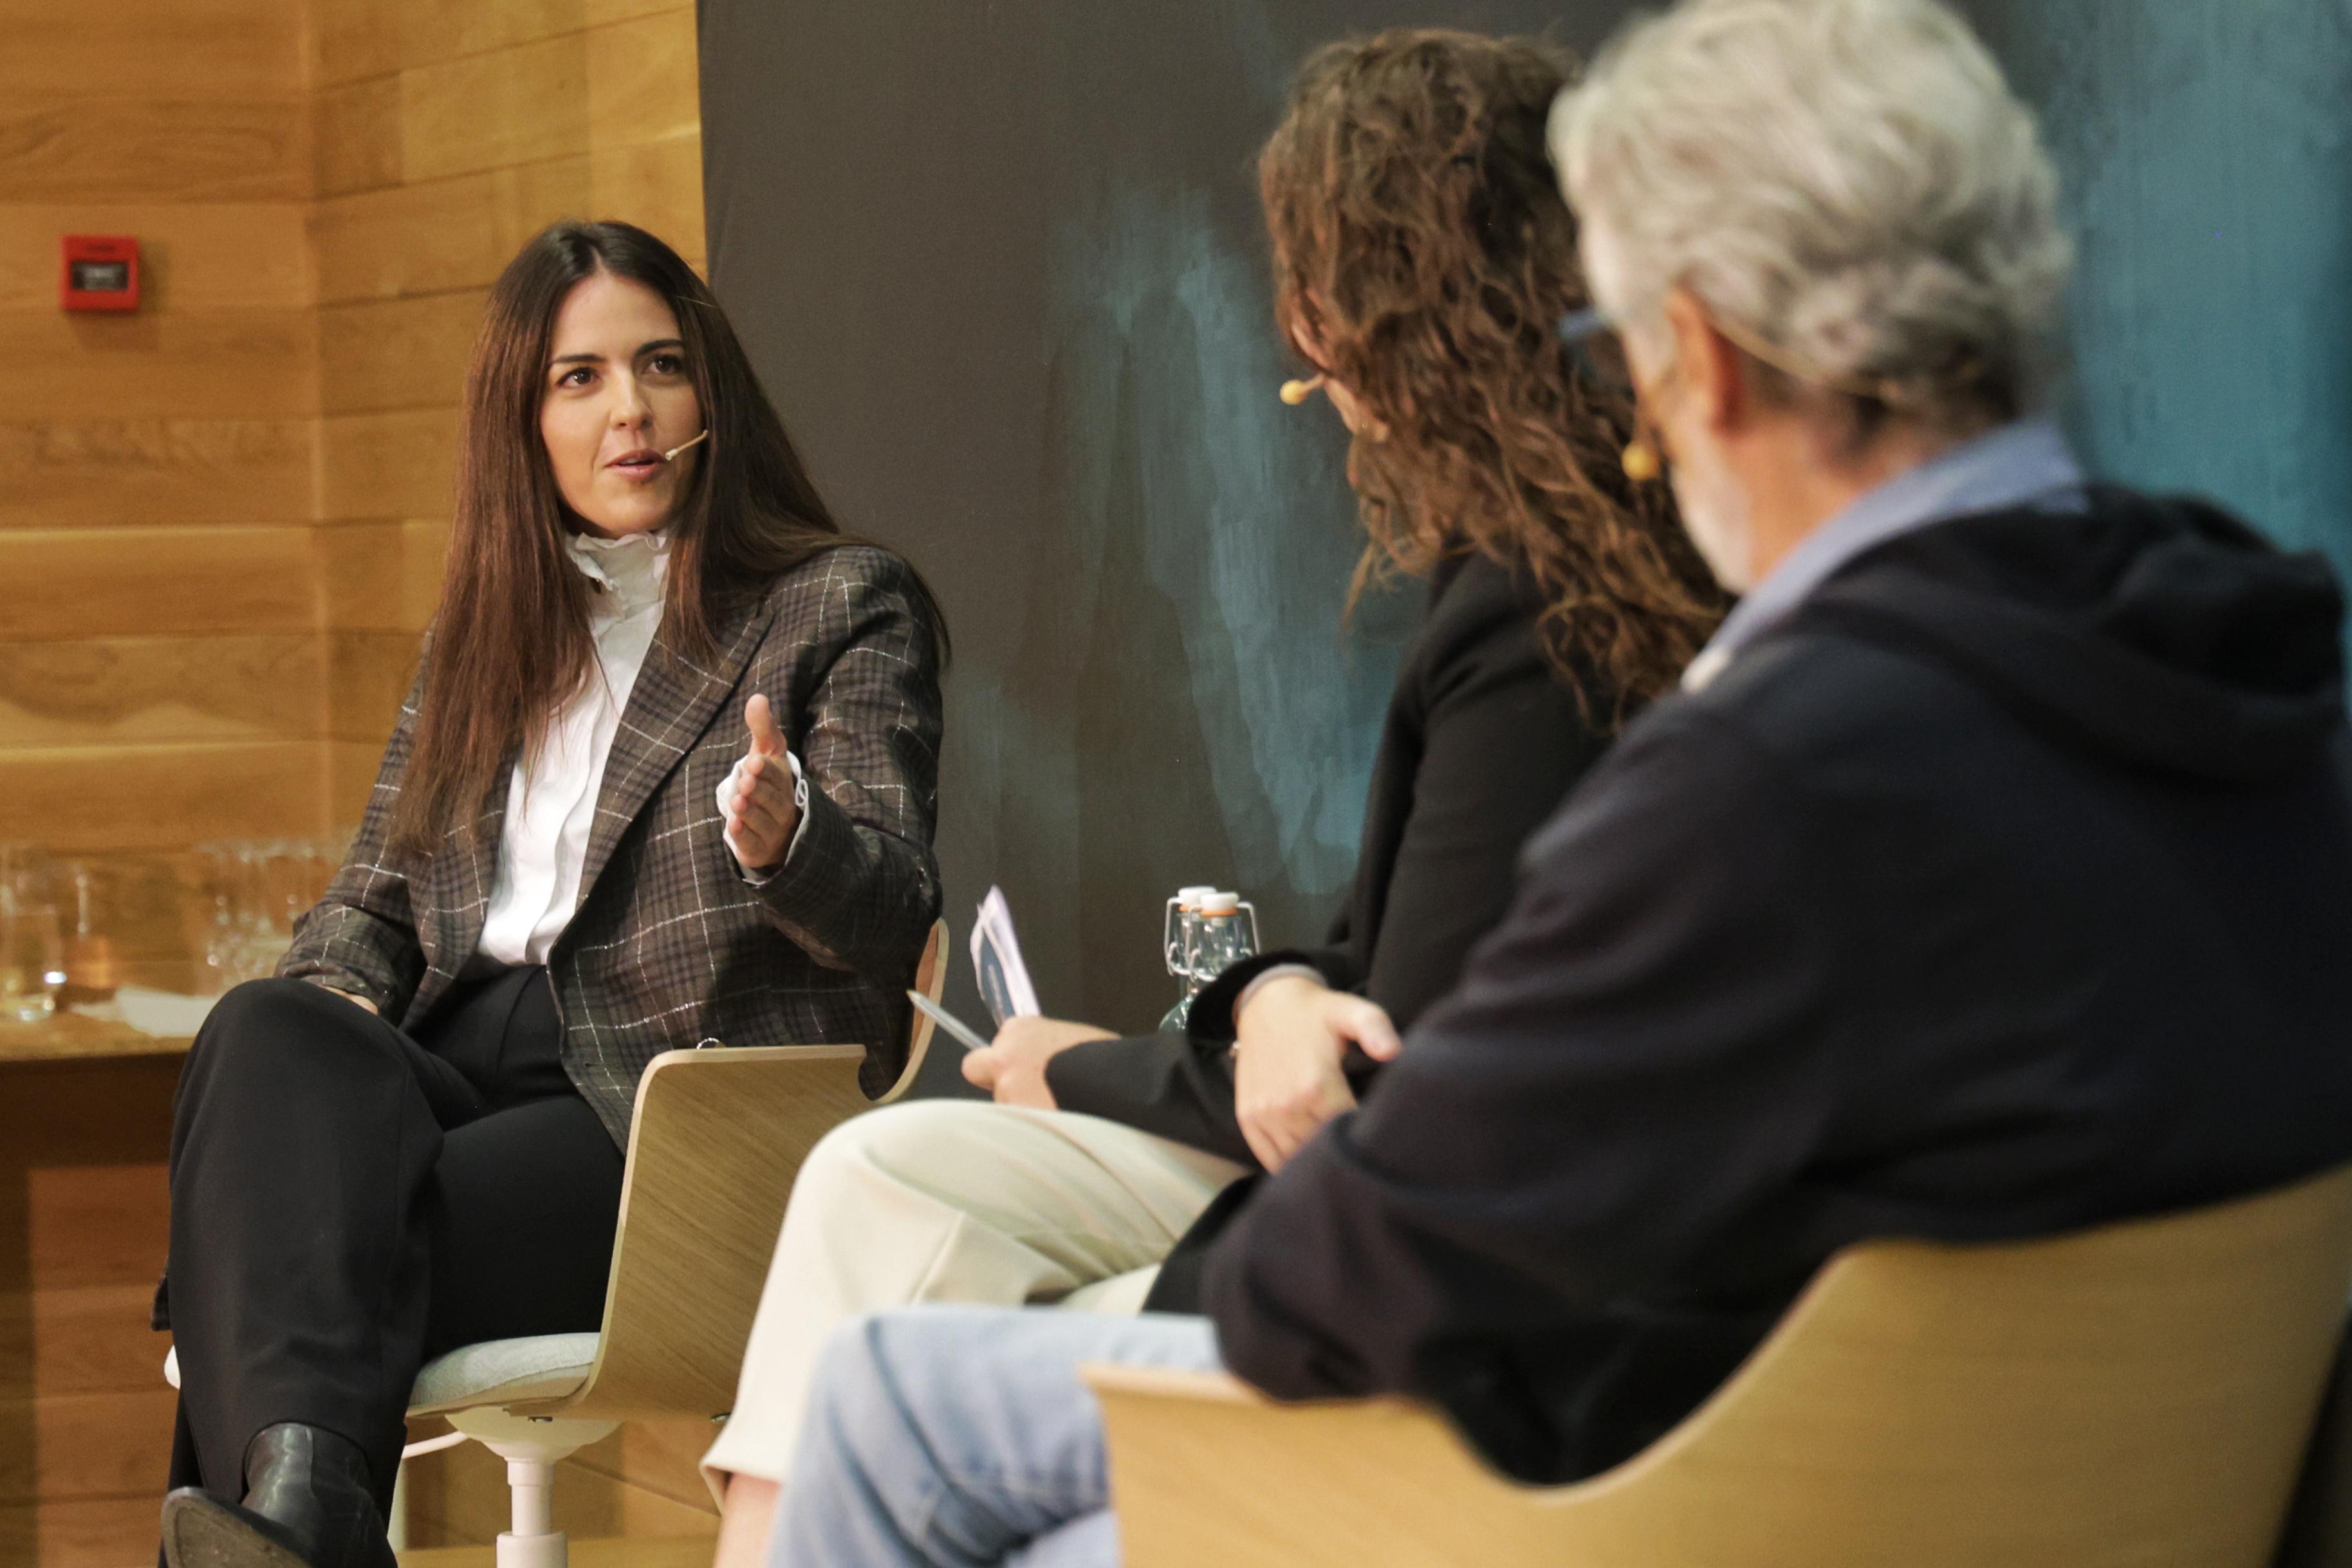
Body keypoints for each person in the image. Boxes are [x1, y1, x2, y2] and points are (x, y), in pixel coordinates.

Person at [764, 1, 2352, 1563]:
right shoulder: (2262, 691)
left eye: (1625, 356)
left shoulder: (1772, 779)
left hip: (1693, 1489)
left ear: (1703, 359)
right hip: (2046, 1488)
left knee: (896, 1403)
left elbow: (1344, 1265)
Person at [698, 30, 1726, 1564]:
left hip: (1448, 1262)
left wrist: (1092, 1066)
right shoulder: (1537, 577)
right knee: (876, 1170)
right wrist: (1272, 990)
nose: (1297, 358)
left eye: (1311, 305)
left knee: (891, 1352)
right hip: (1390, 1168)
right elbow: (1377, 958)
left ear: (1387, 304)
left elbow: (1400, 1093)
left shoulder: (1554, 615)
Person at [154, 220, 949, 1568]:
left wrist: (786, 834)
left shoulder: (834, 602)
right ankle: (308, 1523)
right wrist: (340, 997)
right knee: (264, 1032)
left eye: (660, 366)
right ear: (521, 423)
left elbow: (892, 910)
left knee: (278, 1245)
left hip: (670, 1115)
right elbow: (374, 900)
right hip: (462, 1061)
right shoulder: (484, 635)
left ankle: (295, 1526)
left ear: (714, 395)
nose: (627, 410)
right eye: (577, 379)